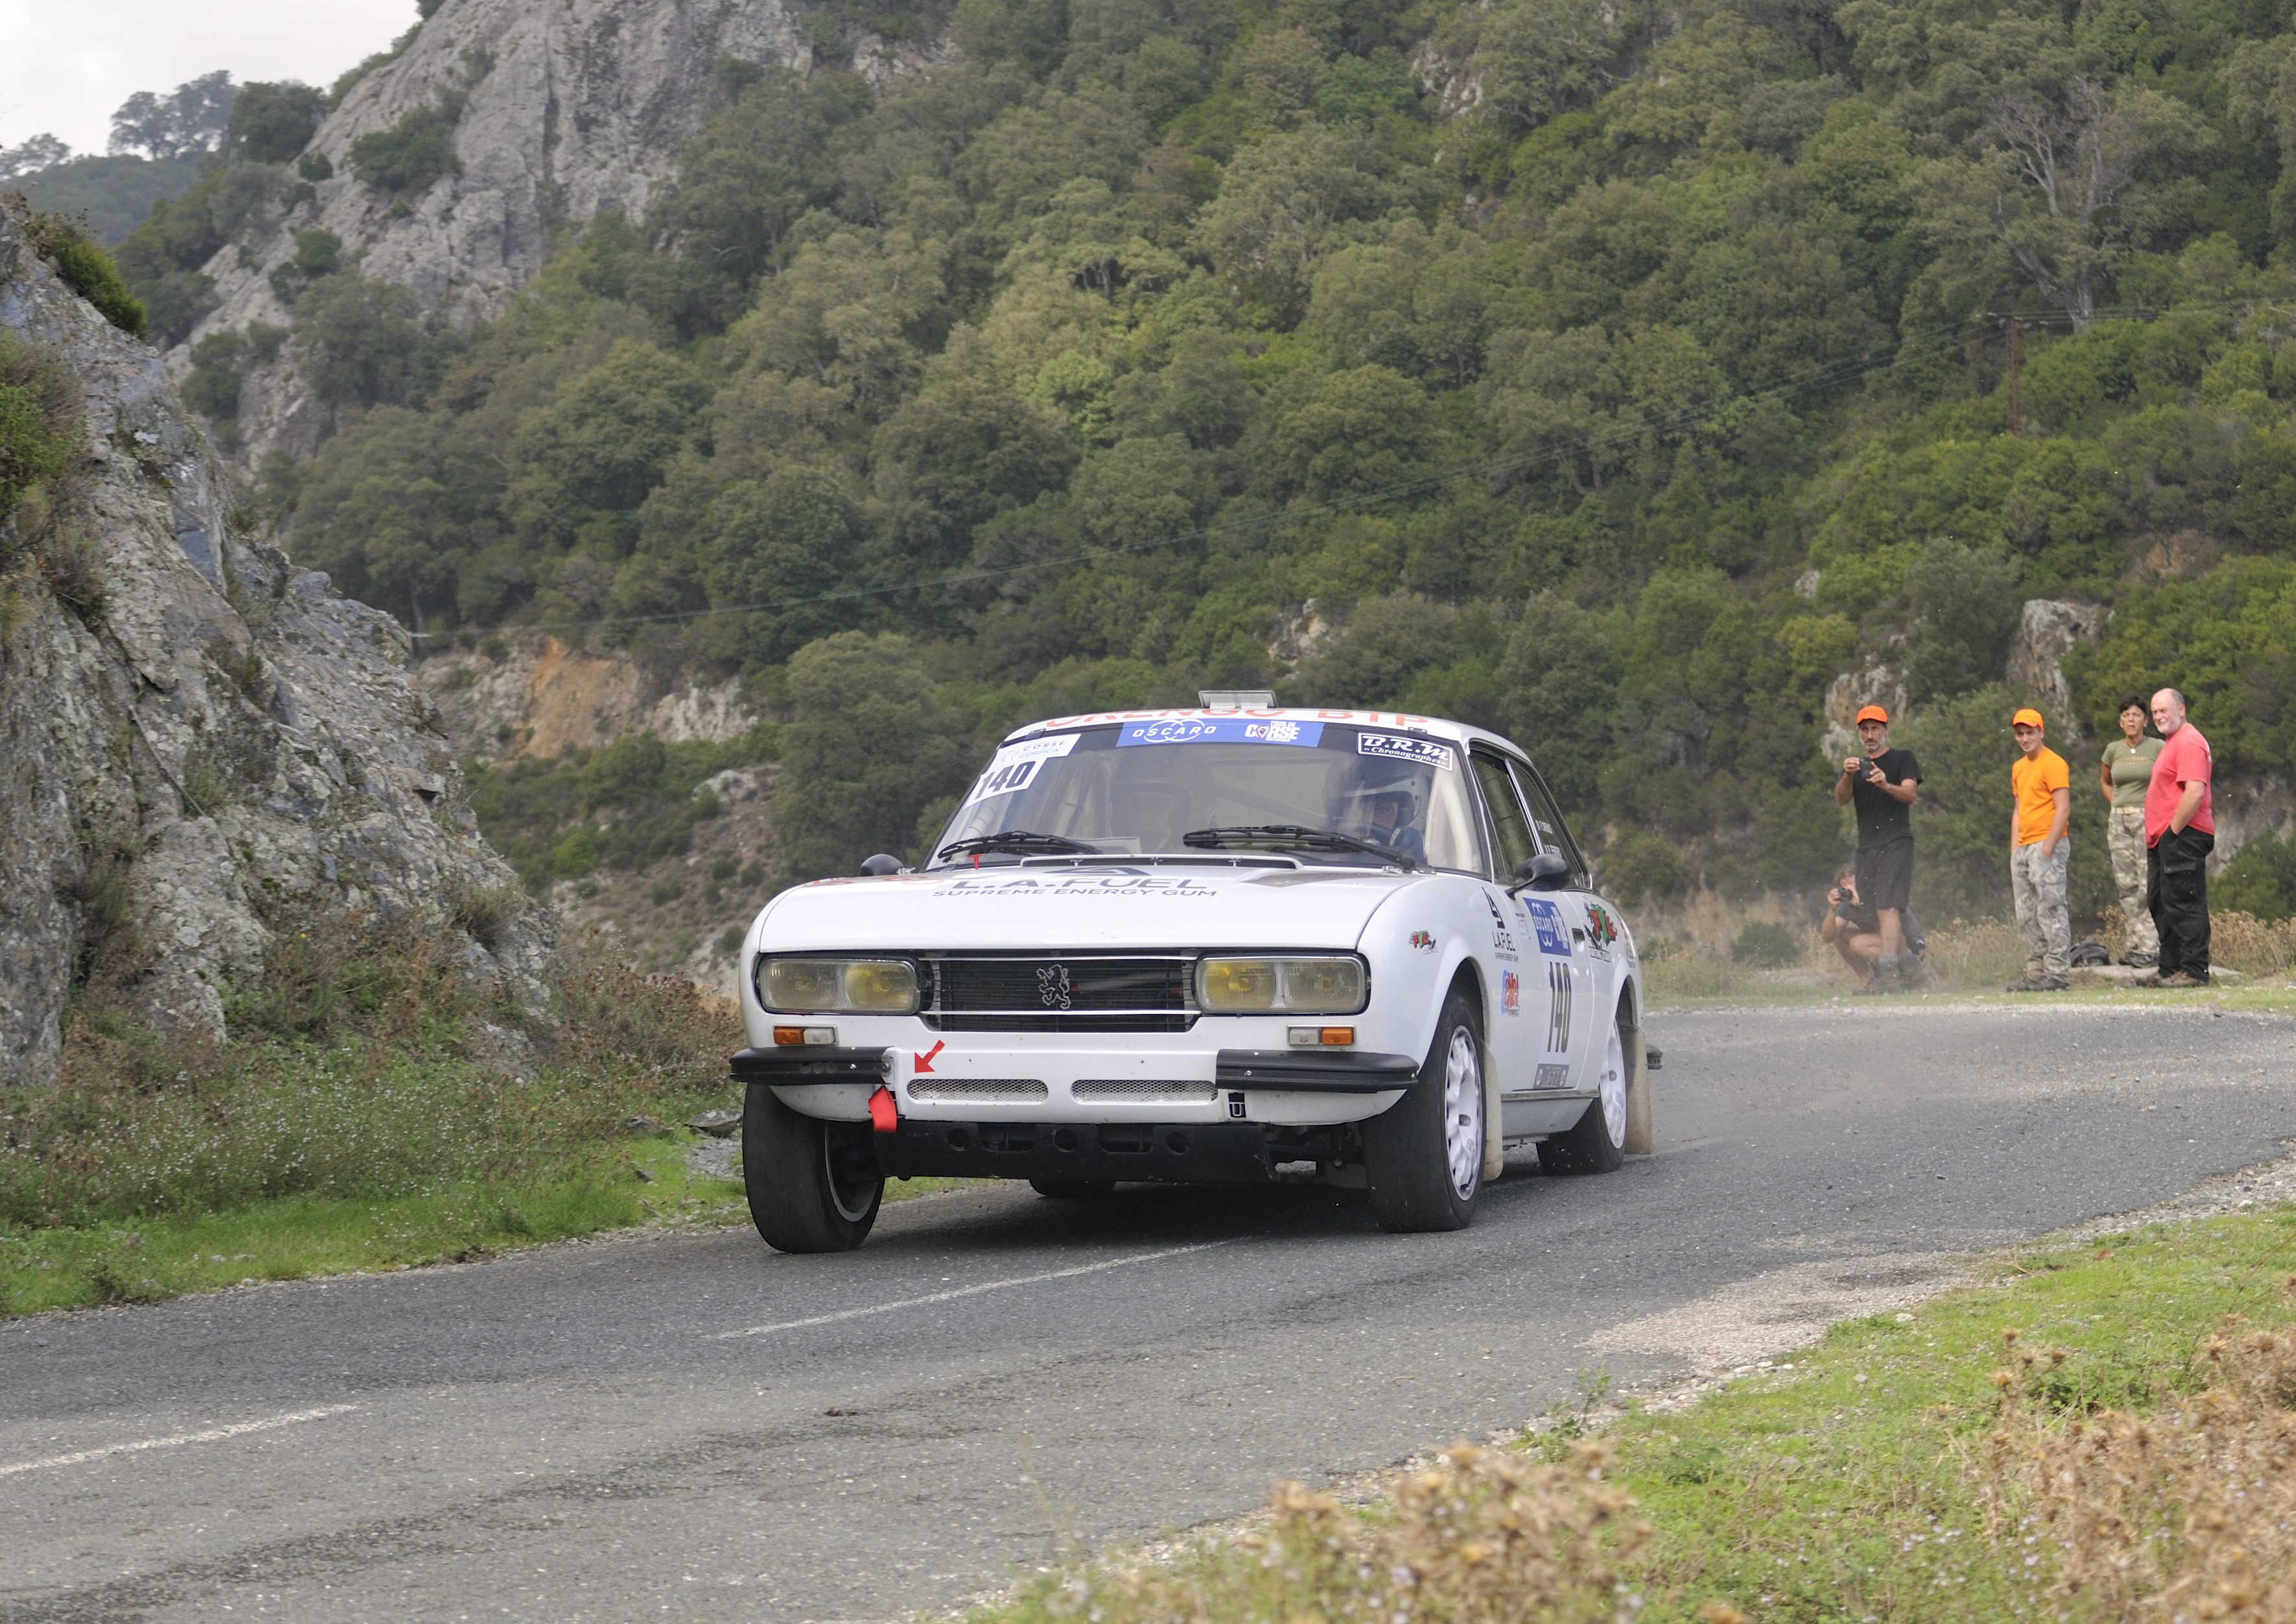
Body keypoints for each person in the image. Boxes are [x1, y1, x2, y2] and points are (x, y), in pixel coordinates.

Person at [1833, 704, 1922, 992]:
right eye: (1865, 730)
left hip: (1896, 841)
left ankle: (1889, 975)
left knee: (1888, 905)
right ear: (1860, 733)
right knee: (1873, 909)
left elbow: (1910, 795)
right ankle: (1911, 970)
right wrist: (1847, 776)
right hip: (1867, 846)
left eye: (1875, 729)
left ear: (1885, 730)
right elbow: (1841, 800)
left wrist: (1885, 784)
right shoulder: (1858, 767)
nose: (1870, 735)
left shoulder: (1902, 759)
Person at [2141, 687, 2214, 987]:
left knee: (2185, 901)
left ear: (2181, 709)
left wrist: (2173, 831)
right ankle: (2170, 968)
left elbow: (2195, 790)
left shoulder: (2190, 741)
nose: (2159, 716)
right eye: (2155, 712)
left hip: (2183, 834)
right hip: (2163, 838)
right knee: (2160, 901)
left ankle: (2194, 971)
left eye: (2164, 710)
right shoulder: (2172, 742)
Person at [2007, 707, 2071, 992]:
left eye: (2030, 732)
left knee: (2051, 908)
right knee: (2026, 913)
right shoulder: (2019, 767)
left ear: (2041, 732)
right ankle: (2035, 972)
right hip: (2023, 846)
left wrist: (2047, 848)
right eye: (2020, 733)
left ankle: (2057, 973)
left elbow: (2064, 808)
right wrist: (2014, 850)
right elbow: (2018, 810)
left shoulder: (2054, 763)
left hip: (2047, 843)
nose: (2025, 738)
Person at [2098, 695, 2162, 968]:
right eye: (2126, 715)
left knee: (2147, 882)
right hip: (2119, 820)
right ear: (2120, 721)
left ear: (2145, 720)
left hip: (2147, 817)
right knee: (2126, 884)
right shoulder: (2113, 750)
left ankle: (2151, 947)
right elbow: (2106, 781)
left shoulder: (2157, 747)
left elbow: (2167, 780)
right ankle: (2135, 944)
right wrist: (2118, 804)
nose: (2131, 720)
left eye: (2136, 715)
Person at [1821, 863, 1930, 990]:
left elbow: (1887, 926)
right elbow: (1828, 938)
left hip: (1911, 948)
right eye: (1845, 889)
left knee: (1858, 943)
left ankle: (1903, 976)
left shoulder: (1881, 896)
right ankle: (1866, 980)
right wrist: (1832, 910)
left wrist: (1863, 904)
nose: (1851, 892)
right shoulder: (1848, 905)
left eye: (1854, 887)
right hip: (1884, 945)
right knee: (1839, 936)